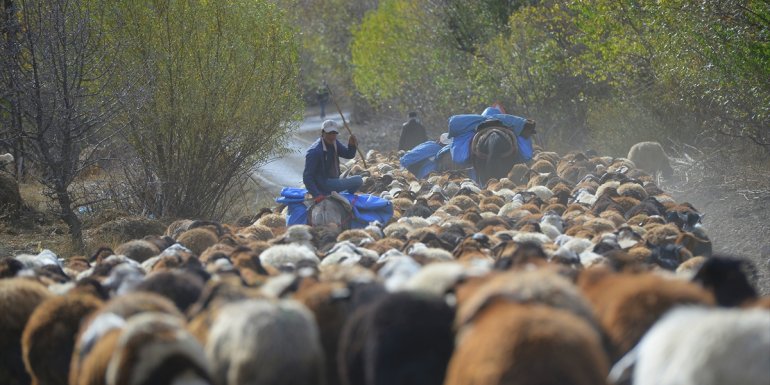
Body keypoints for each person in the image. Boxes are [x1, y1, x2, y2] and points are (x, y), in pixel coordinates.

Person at [303, 120, 363, 201]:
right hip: (324, 184)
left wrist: (352, 145)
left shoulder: (334, 142)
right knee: (358, 180)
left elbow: (348, 155)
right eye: (329, 133)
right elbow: (307, 177)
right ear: (323, 133)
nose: (332, 136)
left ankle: (341, 192)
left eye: (334, 133)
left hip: (334, 180)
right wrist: (316, 194)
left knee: (353, 178)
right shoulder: (314, 152)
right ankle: (339, 193)